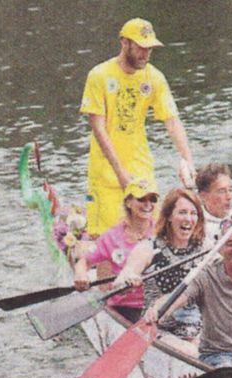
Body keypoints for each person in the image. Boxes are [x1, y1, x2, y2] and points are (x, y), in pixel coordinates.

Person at [80, 17, 195, 237]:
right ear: (125, 43)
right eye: (141, 48)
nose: (145, 54)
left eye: (149, 49)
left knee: (148, 231)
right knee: (105, 237)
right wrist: (120, 172)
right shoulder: (99, 76)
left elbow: (171, 121)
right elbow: (98, 128)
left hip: (140, 167)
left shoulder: (154, 77)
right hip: (105, 173)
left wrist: (187, 160)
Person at [145, 212, 232, 369]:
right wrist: (156, 310)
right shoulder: (206, 274)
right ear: (220, 247)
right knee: (230, 372)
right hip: (218, 355)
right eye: (231, 244)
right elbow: (178, 297)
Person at [116, 188, 206, 350]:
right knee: (193, 352)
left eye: (193, 214)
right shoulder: (150, 247)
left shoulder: (205, 249)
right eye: (182, 212)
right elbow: (122, 278)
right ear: (169, 216)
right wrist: (129, 278)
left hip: (198, 329)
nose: (188, 219)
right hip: (157, 328)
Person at [72, 183, 156, 323]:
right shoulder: (111, 236)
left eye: (152, 200)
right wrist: (80, 274)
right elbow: (84, 262)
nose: (148, 204)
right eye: (142, 199)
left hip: (157, 302)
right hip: (125, 306)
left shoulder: (162, 230)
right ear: (128, 203)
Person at [196, 163, 232, 241]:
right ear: (203, 196)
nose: (229, 197)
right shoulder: (196, 227)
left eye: (230, 190)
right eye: (222, 191)